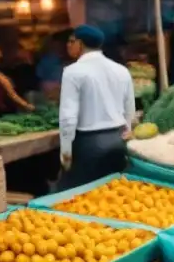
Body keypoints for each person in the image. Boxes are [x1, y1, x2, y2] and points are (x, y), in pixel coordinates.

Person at [57, 25, 135, 189]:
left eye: (71, 41)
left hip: (89, 144)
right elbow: (129, 107)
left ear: (80, 43)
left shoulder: (73, 72)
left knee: (80, 195)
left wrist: (66, 151)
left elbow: (68, 116)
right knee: (113, 192)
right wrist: (126, 132)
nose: (68, 46)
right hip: (118, 140)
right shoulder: (121, 70)